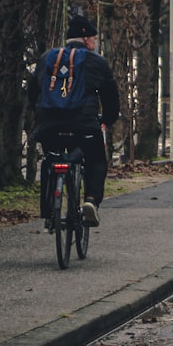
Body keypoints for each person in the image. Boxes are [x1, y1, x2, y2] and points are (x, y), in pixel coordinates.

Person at [29, 15, 120, 228]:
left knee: (51, 158)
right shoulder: (96, 62)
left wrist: (39, 117)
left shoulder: (46, 59)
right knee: (96, 160)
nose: (95, 43)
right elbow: (110, 97)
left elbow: (33, 92)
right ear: (87, 39)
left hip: (49, 125)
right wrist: (107, 119)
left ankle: (50, 209)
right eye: (94, 39)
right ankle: (90, 201)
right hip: (84, 125)